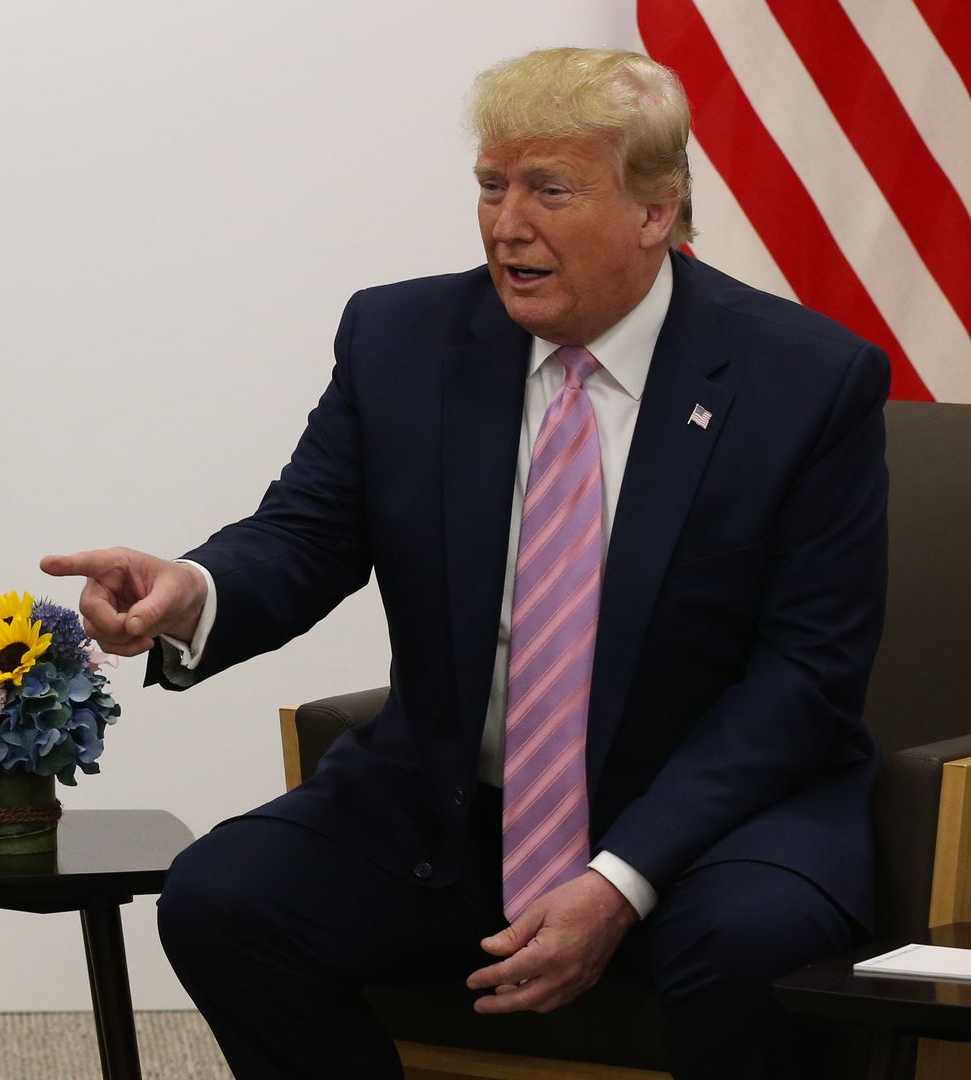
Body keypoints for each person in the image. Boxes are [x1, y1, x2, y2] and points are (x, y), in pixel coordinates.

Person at [43, 48, 886, 1079]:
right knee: (225, 901)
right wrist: (192, 591)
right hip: (457, 805)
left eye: (550, 190)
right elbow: (308, 533)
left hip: (714, 817)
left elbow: (804, 679)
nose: (506, 223)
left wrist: (618, 879)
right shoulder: (403, 340)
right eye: (492, 184)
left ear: (656, 212)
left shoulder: (806, 381)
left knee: (755, 947)